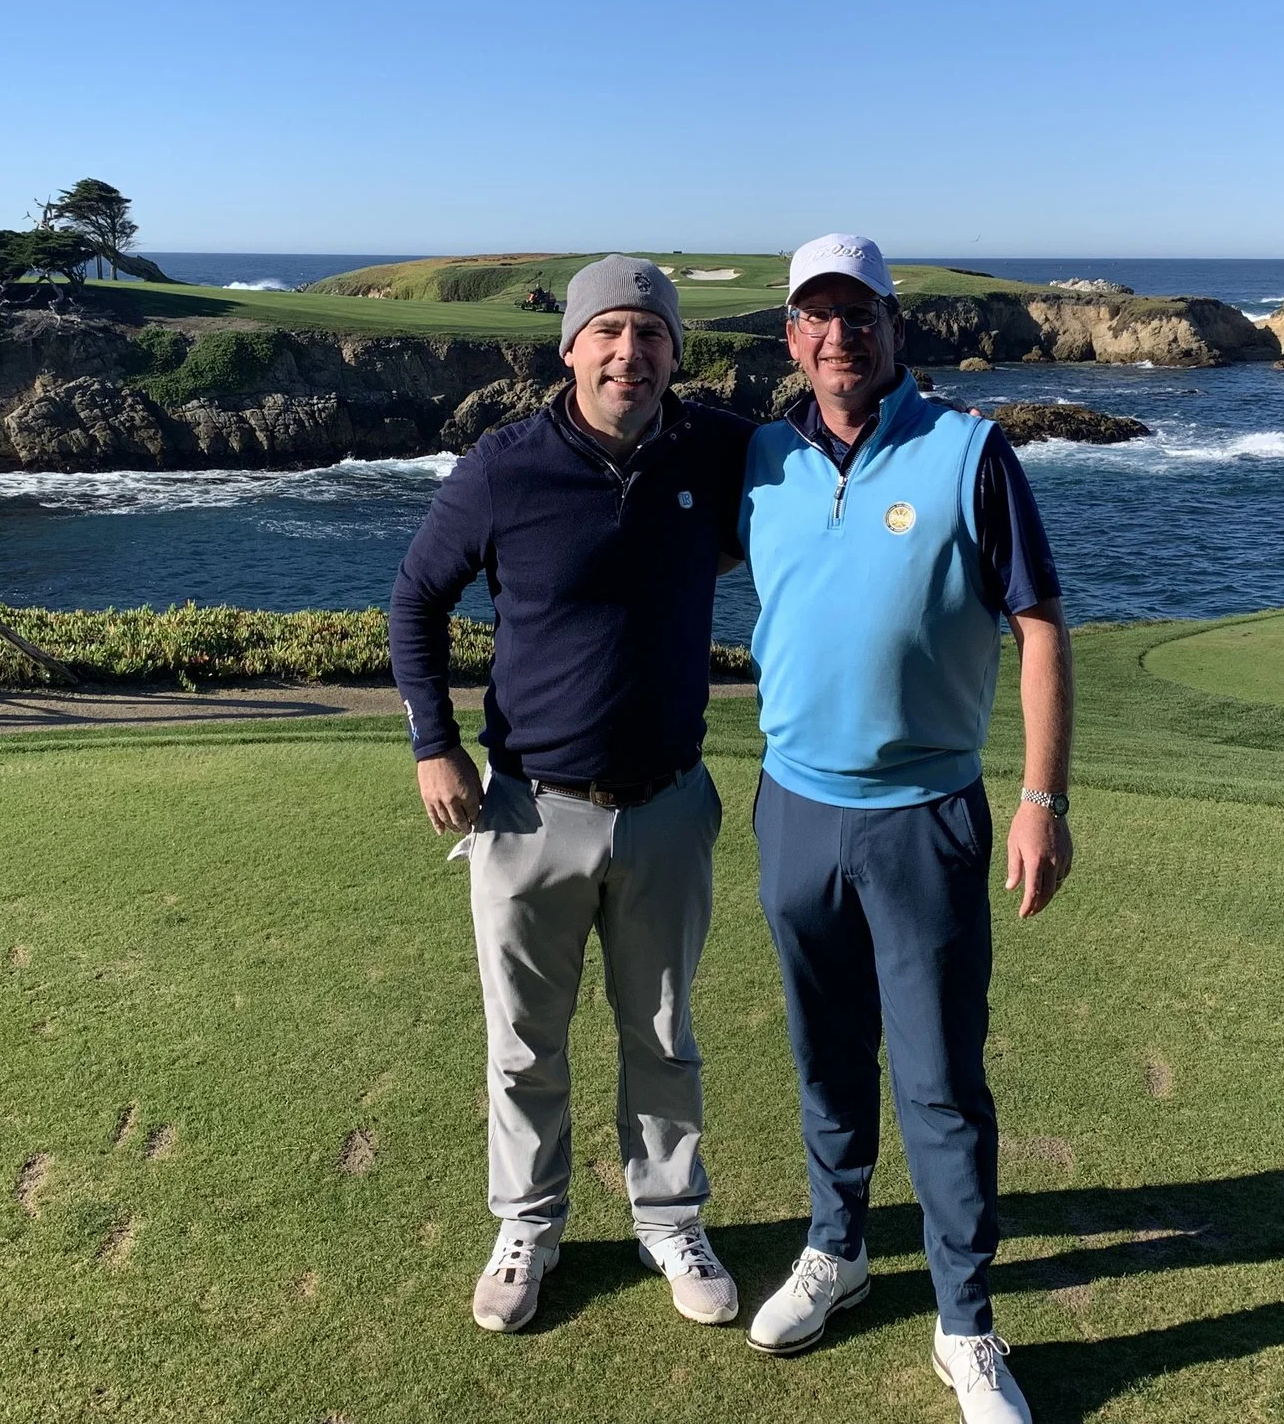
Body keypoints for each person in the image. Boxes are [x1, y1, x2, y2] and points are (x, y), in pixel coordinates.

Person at [737, 233, 1074, 1424]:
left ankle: (965, 1324)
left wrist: (1040, 799)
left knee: (938, 1083)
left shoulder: (970, 452)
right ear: (791, 336)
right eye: (816, 316)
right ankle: (837, 1249)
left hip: (924, 816)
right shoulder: (763, 460)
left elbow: (1037, 626)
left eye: (859, 314)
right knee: (825, 1056)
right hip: (793, 808)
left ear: (893, 326)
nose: (839, 335)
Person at [389, 255, 755, 1336]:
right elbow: (416, 599)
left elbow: (838, 471)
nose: (628, 354)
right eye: (609, 333)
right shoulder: (502, 468)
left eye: (650, 335)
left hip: (670, 804)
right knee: (522, 1043)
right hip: (525, 809)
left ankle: (668, 1216)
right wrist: (432, 744)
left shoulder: (719, 450)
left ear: (675, 352)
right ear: (571, 348)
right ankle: (529, 1224)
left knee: (663, 1033)